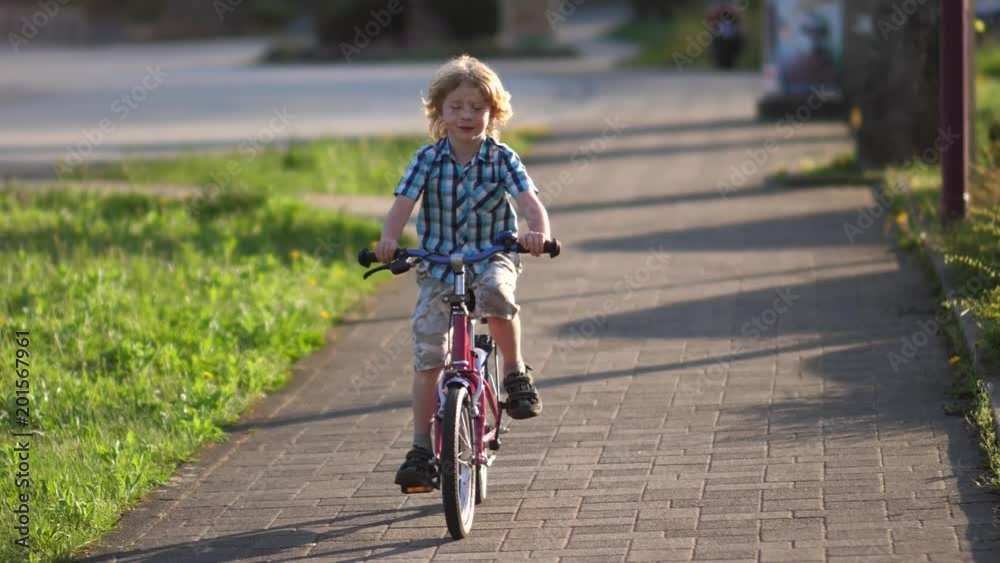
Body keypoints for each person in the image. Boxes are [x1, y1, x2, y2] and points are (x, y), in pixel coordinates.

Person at [374, 54, 553, 490]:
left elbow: (530, 204)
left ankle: (514, 372)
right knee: (428, 354)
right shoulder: (427, 159)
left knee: (496, 293)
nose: (466, 115)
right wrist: (388, 241)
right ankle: (421, 448)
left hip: (492, 254)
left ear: (494, 112)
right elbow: (402, 206)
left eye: (477, 107)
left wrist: (538, 234)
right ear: (439, 111)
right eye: (456, 107)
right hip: (438, 264)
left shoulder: (502, 158)